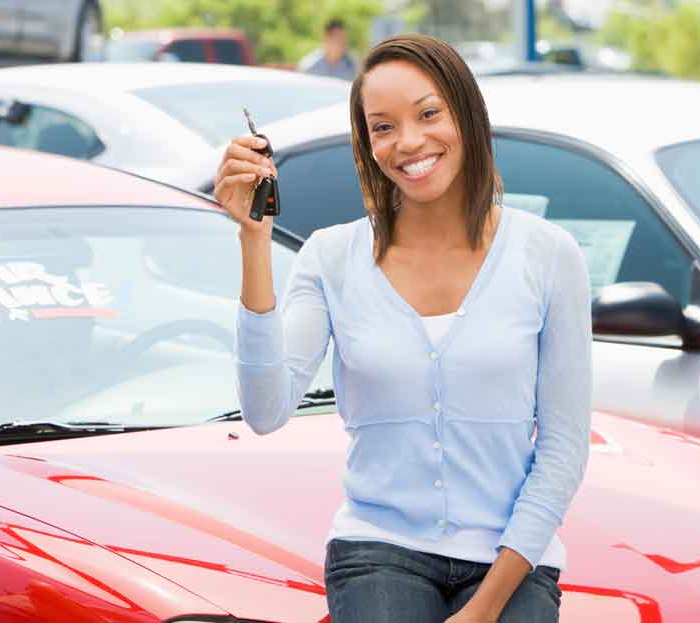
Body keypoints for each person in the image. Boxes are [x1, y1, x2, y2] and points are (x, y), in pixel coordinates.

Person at [214, 34, 591, 622]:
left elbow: (564, 450)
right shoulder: (331, 256)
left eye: (428, 114)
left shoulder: (549, 255)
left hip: (512, 555)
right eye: (382, 127)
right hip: (378, 551)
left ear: (466, 113)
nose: (409, 142)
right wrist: (253, 240)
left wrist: (483, 608)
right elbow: (266, 410)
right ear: (367, 143)